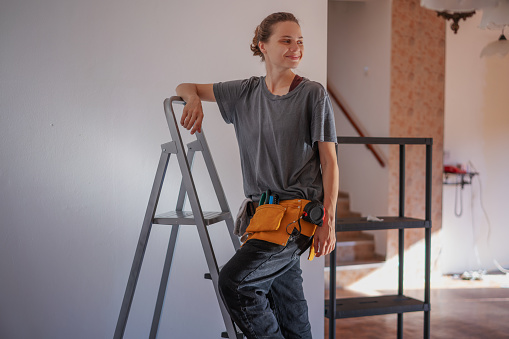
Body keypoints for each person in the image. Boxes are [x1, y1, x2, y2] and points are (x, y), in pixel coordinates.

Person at [176, 12, 338, 339]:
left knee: (234, 283)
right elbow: (185, 86)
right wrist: (192, 97)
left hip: (296, 218)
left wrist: (329, 220)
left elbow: (330, 162)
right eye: (286, 40)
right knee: (291, 311)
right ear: (263, 45)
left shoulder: (312, 94)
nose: (296, 48)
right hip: (261, 217)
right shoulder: (244, 93)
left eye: (300, 41)